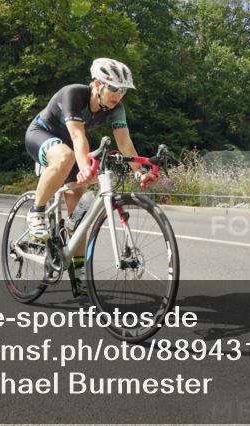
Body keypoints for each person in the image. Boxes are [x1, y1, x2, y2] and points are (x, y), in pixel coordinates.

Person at [23, 58, 158, 293]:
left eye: (124, 90)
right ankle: (37, 212)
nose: (119, 94)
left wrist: (139, 173)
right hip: (41, 134)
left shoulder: (116, 107)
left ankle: (78, 272)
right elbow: (77, 137)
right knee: (65, 157)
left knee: (80, 217)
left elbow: (124, 142)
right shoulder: (73, 94)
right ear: (97, 84)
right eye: (114, 88)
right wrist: (85, 165)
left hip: (71, 146)